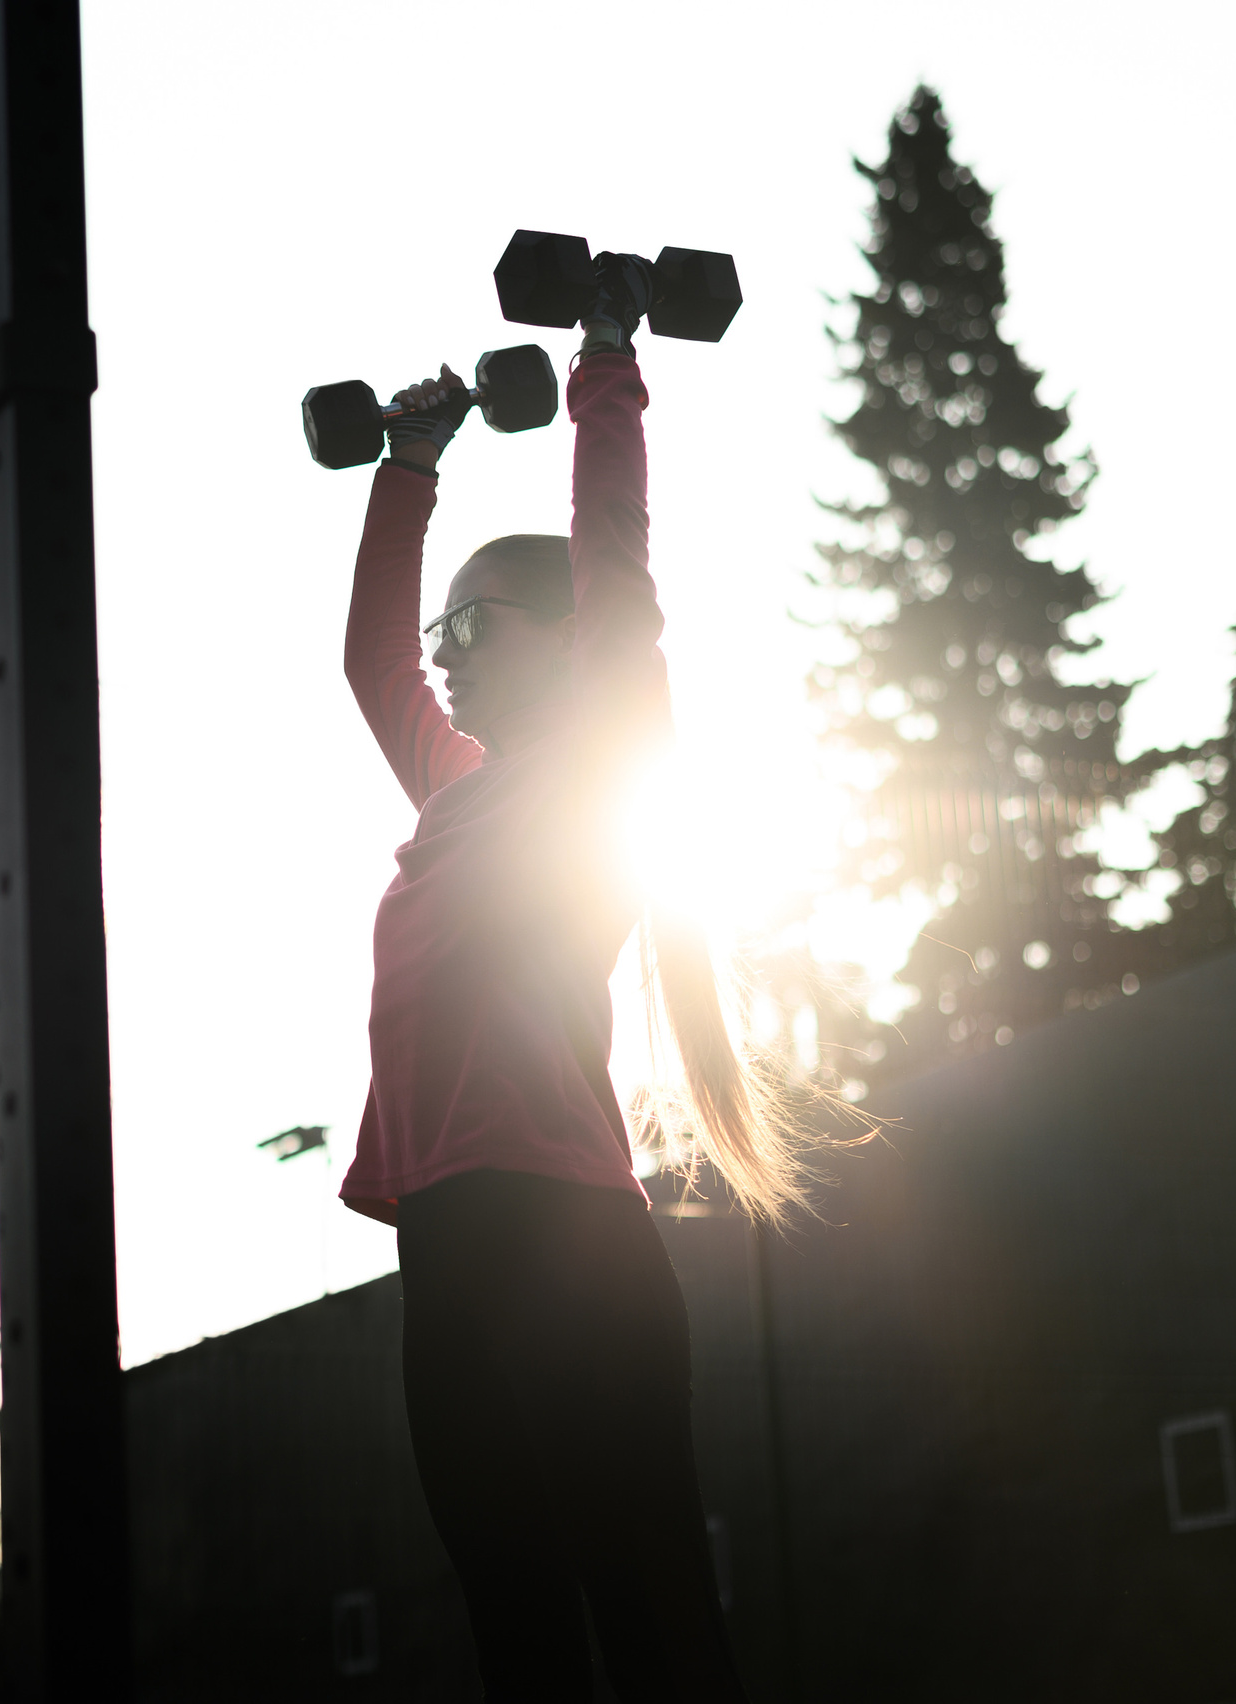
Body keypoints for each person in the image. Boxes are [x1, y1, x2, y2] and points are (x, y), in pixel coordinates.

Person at [337, 256, 809, 1701]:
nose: (448, 653)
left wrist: (605, 362)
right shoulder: (450, 791)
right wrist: (407, 468)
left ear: (563, 641)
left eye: (479, 625)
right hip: (446, 1241)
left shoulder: (602, 753)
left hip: (558, 1227)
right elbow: (369, 665)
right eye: (447, 632)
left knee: (648, 1597)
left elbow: (615, 555)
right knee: (511, 1611)